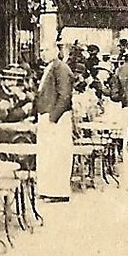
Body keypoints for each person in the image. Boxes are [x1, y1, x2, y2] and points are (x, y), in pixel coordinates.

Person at [35, 46, 75, 203]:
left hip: (57, 119)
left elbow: (65, 96)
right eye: (42, 50)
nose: (42, 52)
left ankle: (58, 191)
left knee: (57, 155)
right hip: (48, 116)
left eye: (46, 50)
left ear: (56, 50)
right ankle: (47, 189)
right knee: (48, 155)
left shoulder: (61, 68)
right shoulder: (50, 67)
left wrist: (53, 118)